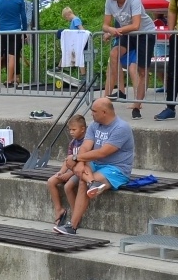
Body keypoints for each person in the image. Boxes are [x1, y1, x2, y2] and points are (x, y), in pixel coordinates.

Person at [53, 97, 133, 235]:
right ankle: (93, 183)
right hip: (95, 165)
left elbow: (103, 152)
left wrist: (76, 159)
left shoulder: (121, 128)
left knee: (81, 180)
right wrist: (79, 162)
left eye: (94, 111)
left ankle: (73, 226)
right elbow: (85, 147)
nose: (91, 114)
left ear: (104, 112)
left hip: (116, 169)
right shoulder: (94, 125)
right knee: (75, 164)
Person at [103, 0, 157, 116]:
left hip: (145, 33)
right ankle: (115, 94)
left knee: (142, 70)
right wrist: (110, 30)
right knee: (114, 54)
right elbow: (105, 25)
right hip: (127, 33)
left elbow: (136, 25)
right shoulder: (109, 0)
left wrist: (115, 30)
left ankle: (137, 106)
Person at [45, 114, 89, 229]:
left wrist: (69, 174)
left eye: (74, 129)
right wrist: (61, 172)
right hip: (71, 170)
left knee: (68, 186)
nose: (71, 132)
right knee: (51, 181)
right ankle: (59, 209)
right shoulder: (73, 143)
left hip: (82, 170)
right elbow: (68, 159)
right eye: (70, 130)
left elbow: (85, 163)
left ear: (83, 129)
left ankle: (75, 215)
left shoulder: (87, 143)